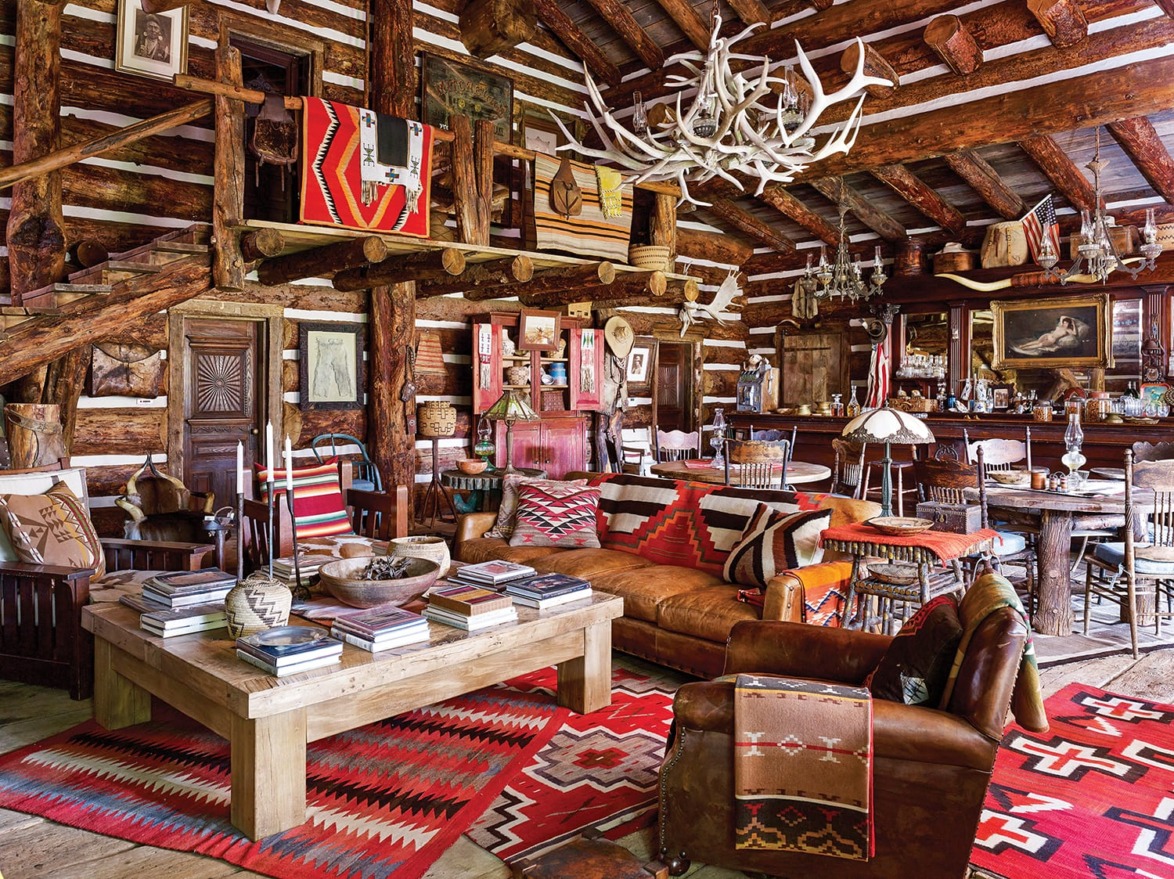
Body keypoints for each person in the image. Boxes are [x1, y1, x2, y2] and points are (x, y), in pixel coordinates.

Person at [1010, 315, 1089, 356]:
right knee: (1036, 341)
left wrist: (1073, 323)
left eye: (1066, 323)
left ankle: (1024, 348)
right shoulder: (1061, 325)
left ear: (1069, 324)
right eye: (1064, 322)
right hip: (1048, 335)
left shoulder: (1068, 330)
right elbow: (1062, 317)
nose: (1065, 323)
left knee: (1039, 345)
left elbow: (1075, 333)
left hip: (1052, 340)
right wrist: (1070, 319)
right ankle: (1022, 346)